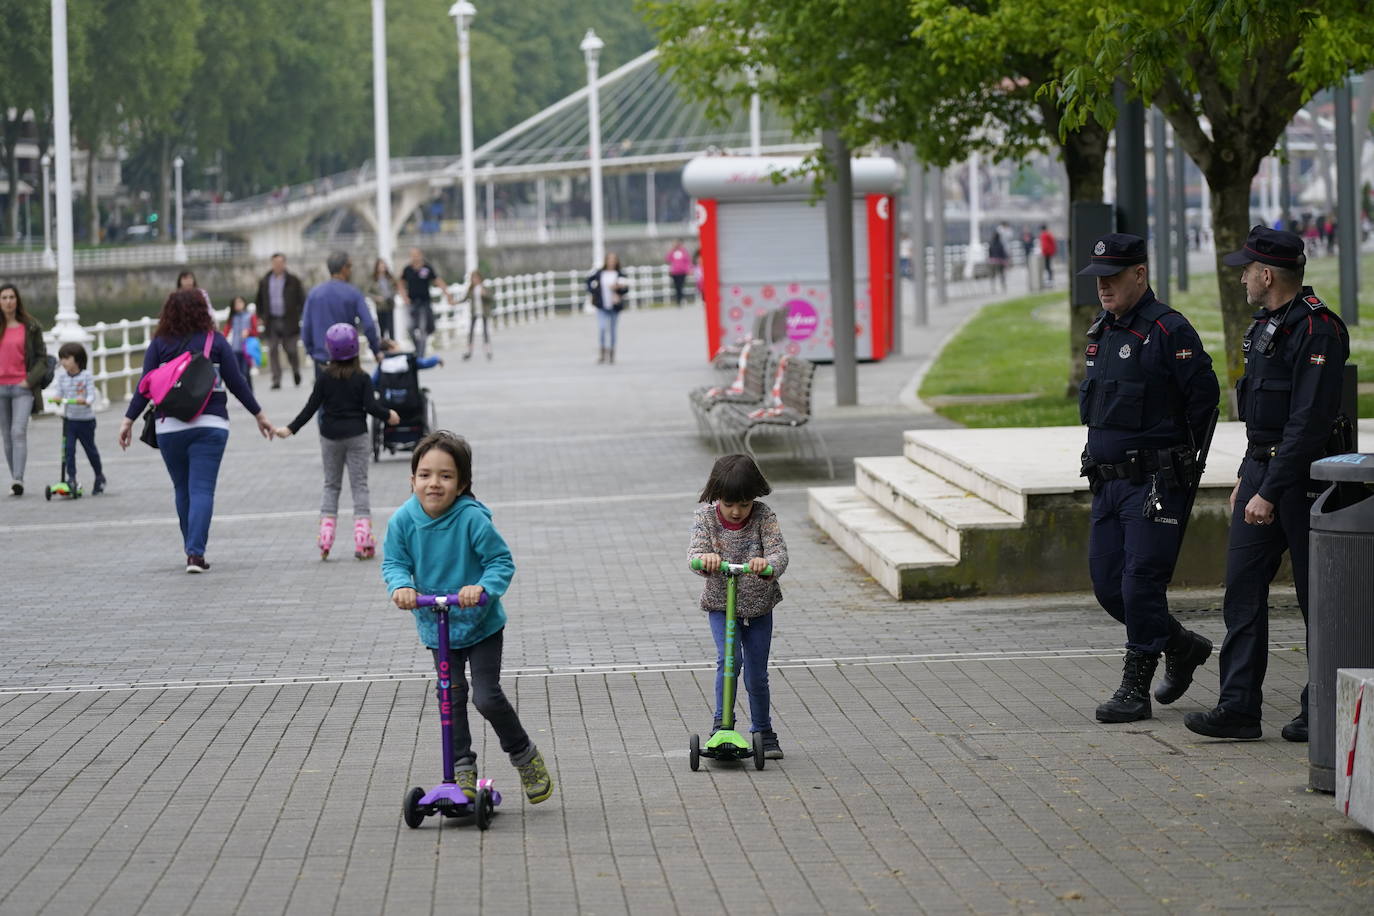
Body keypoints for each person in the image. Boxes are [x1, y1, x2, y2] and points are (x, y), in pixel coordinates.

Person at [1185, 226, 1350, 742]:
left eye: (1246, 269)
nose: (1240, 277)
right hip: (1261, 472)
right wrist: (1245, 478)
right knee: (1242, 593)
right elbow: (1262, 418)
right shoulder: (1264, 326)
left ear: (1267, 274)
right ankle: (1237, 708)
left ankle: (1321, 707)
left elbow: (1307, 425)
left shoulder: (1317, 330)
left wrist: (1269, 490)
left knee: (1316, 601)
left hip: (1303, 480)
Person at [1077, 233, 1220, 724]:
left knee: (1140, 584)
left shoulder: (1168, 330)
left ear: (1140, 273)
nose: (1103, 287)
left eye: (1113, 277)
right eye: (1098, 279)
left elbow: (1204, 403)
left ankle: (1134, 689)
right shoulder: (1103, 331)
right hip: (1109, 484)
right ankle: (1182, 646)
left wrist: (1180, 467)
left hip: (1154, 484)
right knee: (1108, 586)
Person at [382, 431, 554, 805]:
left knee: (486, 698)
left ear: (461, 484)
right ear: (412, 479)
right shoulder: (403, 521)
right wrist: (400, 587)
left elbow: (500, 561)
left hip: (480, 626)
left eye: (445, 476)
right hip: (437, 624)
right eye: (425, 474)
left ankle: (523, 754)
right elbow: (394, 562)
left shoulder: (471, 519)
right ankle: (462, 769)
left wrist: (482, 588)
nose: (434, 483)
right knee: (450, 695)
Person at [118, 289, 275, 572]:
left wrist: (128, 420)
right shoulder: (215, 342)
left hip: (169, 427)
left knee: (182, 489)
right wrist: (259, 415)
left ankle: (191, 547)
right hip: (211, 425)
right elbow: (237, 383)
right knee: (202, 489)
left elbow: (145, 386)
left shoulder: (159, 344)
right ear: (204, 311)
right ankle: (195, 553)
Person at [687, 453, 789, 759]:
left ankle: (763, 730)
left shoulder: (763, 516)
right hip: (721, 604)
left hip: (759, 605)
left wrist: (766, 565)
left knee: (756, 673)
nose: (736, 511)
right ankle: (722, 724)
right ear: (716, 495)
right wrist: (705, 560)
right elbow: (695, 552)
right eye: (729, 504)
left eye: (743, 504)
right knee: (729, 662)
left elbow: (778, 552)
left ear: (754, 499)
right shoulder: (705, 517)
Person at [275, 324, 398, 560]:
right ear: (355, 349)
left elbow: (311, 408)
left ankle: (325, 538)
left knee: (331, 485)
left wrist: (290, 429)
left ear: (330, 350)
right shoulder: (362, 378)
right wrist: (389, 415)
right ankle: (363, 540)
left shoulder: (324, 378)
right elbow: (371, 407)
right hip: (357, 436)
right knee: (359, 485)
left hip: (330, 437)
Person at [300, 251, 382, 375]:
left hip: (322, 357)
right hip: (348, 359)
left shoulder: (314, 294)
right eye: (350, 267)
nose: (351, 271)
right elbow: (369, 324)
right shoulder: (353, 293)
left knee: (324, 393)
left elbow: (306, 326)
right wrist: (376, 350)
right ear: (344, 268)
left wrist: (312, 352)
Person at [0, 283, 47, 496]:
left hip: (22, 388)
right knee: (7, 436)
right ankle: (14, 479)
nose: (8, 301)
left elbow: (41, 358)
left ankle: (18, 478)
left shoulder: (30, 326)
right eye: (4, 298)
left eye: (11, 297)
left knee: (18, 431)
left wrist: (29, 381)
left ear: (17, 300)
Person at [53, 342, 105, 494]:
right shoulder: (62, 378)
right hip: (69, 420)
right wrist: (56, 398)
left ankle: (99, 476)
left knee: (90, 450)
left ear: (77, 359)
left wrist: (86, 401)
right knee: (68, 450)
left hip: (86, 421)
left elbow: (90, 395)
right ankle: (71, 478)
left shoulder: (86, 376)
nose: (63, 362)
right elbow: (58, 393)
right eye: (61, 358)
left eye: (66, 358)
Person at [255, 253, 306, 389]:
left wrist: (303, 315)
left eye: (280, 263)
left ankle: (295, 370)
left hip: (289, 320)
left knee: (291, 349)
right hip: (271, 320)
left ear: (284, 264)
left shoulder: (293, 280)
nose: (278, 265)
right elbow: (259, 300)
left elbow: (302, 299)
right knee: (272, 349)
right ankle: (276, 379)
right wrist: (260, 316)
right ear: (272, 264)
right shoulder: (265, 281)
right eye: (275, 263)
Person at [399, 247, 454, 359]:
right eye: (412, 255)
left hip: (424, 303)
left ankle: (420, 356)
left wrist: (448, 295)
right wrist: (404, 297)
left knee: (423, 329)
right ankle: (418, 347)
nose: (414, 257)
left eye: (416, 255)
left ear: (420, 255)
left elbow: (438, 281)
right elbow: (400, 283)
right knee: (410, 328)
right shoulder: (407, 269)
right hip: (412, 304)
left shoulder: (427, 268)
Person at [587, 252, 629, 364]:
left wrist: (619, 288)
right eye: (609, 259)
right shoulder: (600, 273)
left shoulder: (620, 274)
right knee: (602, 328)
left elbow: (625, 290)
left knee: (612, 330)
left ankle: (612, 353)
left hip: (614, 306)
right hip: (602, 305)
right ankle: (602, 352)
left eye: (613, 259)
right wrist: (594, 292)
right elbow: (588, 281)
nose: (611, 262)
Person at [222, 296, 260, 391]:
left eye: (240, 302)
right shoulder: (232, 318)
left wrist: (248, 332)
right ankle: (244, 393)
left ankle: (250, 392)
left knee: (246, 372)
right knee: (238, 373)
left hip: (246, 349)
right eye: (236, 303)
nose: (238, 305)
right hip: (235, 349)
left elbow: (256, 332)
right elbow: (226, 332)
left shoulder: (250, 316)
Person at [460, 270, 492, 361]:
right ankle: (469, 351)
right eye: (473, 278)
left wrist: (484, 294)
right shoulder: (471, 289)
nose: (475, 280)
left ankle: (487, 350)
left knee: (485, 331)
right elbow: (464, 299)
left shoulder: (484, 288)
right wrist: (454, 302)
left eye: (476, 278)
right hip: (474, 312)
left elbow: (490, 298)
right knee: (471, 331)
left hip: (484, 312)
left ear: (480, 279)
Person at [367, 258, 398, 341]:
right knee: (382, 328)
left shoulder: (390, 278)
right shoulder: (373, 279)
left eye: (384, 265)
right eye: (381, 265)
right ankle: (383, 346)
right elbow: (368, 292)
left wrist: (392, 295)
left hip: (389, 305)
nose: (383, 267)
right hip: (380, 307)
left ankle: (393, 344)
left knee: (391, 328)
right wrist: (376, 298)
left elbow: (395, 288)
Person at [666, 240, 692, 306]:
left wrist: (688, 269)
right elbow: (668, 259)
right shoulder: (673, 252)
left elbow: (687, 261)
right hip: (675, 272)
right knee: (677, 286)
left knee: (681, 285)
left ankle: (681, 299)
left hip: (682, 272)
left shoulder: (683, 252)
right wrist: (672, 250)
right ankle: (678, 300)